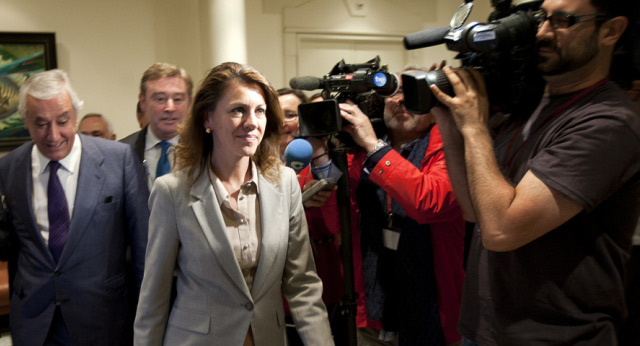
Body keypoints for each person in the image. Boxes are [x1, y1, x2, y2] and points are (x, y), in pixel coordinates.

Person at [428, 0, 640, 344]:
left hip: (557, 335)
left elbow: (500, 229)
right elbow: (474, 211)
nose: (542, 32)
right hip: (485, 329)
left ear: (611, 31)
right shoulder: (529, 111)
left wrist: (475, 129)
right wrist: (449, 124)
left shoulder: (608, 122)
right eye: (542, 18)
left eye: (563, 20)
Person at [133, 62, 333, 345]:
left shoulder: (285, 183)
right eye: (238, 110)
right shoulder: (172, 192)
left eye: (260, 111)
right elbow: (154, 298)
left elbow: (303, 285)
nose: (251, 122)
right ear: (207, 119)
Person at [0, 69, 149, 345]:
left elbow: (144, 250)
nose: (53, 135)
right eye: (41, 123)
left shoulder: (119, 161)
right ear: (26, 122)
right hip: (35, 323)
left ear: (76, 115)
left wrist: (146, 322)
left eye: (63, 121)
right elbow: (12, 246)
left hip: (103, 319)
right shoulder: (8, 168)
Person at [338, 66, 465, 345]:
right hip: (374, 307)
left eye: (414, 91)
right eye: (394, 90)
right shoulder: (360, 153)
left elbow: (429, 202)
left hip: (433, 309)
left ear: (436, 103)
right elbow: (340, 220)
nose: (402, 99)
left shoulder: (451, 147)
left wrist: (372, 145)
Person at [120, 62, 193, 189]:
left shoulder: (207, 150)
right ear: (143, 102)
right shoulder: (121, 152)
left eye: (178, 99)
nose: (170, 108)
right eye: (160, 99)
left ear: (190, 103)